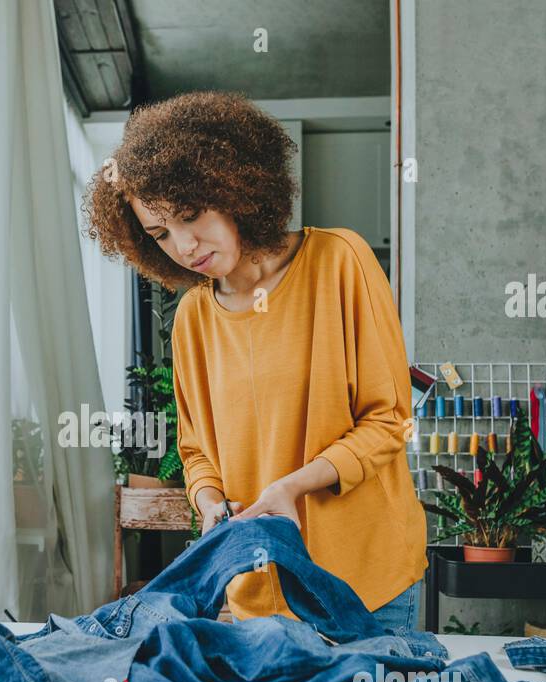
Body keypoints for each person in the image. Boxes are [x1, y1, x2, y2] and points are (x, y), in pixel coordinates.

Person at [84, 90, 426, 631]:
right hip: (257, 593)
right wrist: (209, 500)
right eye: (160, 233)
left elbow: (389, 420)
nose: (184, 244)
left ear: (234, 186)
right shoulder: (194, 315)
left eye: (191, 214)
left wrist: (292, 486)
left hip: (363, 586)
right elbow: (196, 449)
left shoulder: (339, 262)